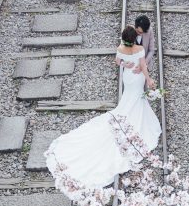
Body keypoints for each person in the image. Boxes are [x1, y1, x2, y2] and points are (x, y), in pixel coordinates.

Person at [46, 26, 162, 191]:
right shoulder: (140, 49)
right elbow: (143, 66)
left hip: (128, 78)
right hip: (136, 79)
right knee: (136, 99)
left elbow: (118, 62)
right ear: (134, 38)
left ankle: (128, 115)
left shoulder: (121, 48)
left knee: (129, 98)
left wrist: (126, 64)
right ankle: (137, 119)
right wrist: (149, 80)